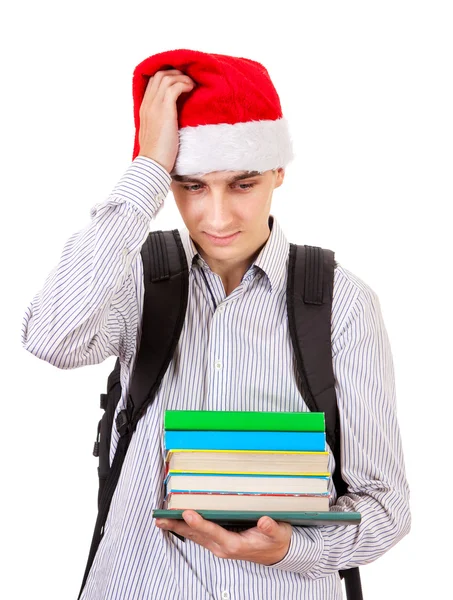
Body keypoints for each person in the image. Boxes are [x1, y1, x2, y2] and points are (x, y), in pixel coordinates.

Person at [21, 49, 411, 599]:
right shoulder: (136, 279)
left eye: (242, 184)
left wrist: (289, 550)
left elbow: (385, 507)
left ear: (278, 170)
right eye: (192, 186)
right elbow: (50, 338)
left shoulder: (340, 303)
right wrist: (147, 172)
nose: (219, 217)